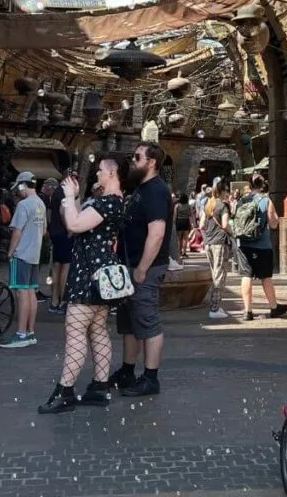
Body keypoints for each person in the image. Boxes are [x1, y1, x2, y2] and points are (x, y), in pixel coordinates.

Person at [39, 157, 127, 413]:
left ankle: (65, 391)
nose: (97, 174)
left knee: (76, 329)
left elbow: (75, 225)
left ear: (112, 173)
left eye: (100, 170)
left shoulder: (108, 201)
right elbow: (77, 221)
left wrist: (67, 197)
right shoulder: (115, 201)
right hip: (100, 273)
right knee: (98, 329)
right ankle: (99, 387)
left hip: (89, 273)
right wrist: (74, 197)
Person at [111, 142, 172, 397]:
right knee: (129, 322)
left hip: (144, 267)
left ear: (152, 162)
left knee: (147, 322)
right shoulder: (141, 189)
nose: (133, 161)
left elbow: (156, 234)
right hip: (131, 265)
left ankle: (150, 377)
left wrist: (142, 268)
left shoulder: (156, 191)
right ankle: (127, 371)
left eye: (137, 157)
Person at [0, 172, 47, 349]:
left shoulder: (23, 205)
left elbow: (17, 232)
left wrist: (11, 252)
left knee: (21, 293)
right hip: (35, 255)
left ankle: (20, 334)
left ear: (22, 185)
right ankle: (30, 332)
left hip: (22, 255)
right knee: (31, 292)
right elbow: (43, 231)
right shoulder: (41, 204)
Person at [234, 173, 287, 322]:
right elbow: (273, 223)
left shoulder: (242, 200)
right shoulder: (266, 200)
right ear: (262, 185)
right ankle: (273, 306)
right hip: (263, 245)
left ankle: (247, 311)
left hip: (244, 244)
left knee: (246, 276)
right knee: (265, 277)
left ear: (249, 185)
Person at [202, 181, 232, 320]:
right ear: (222, 192)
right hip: (219, 242)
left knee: (214, 273)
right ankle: (214, 307)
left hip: (208, 242)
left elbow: (201, 224)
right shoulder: (223, 205)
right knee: (219, 274)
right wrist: (233, 232)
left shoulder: (208, 204)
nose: (228, 193)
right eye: (226, 190)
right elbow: (225, 225)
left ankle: (215, 305)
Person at [47, 172, 73, 315]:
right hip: (64, 234)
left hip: (55, 233)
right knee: (66, 268)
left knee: (56, 267)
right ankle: (63, 300)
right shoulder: (64, 192)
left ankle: (54, 301)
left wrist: (51, 229)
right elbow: (63, 212)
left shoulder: (56, 191)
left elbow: (49, 214)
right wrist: (69, 228)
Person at [174, 193, 192, 260]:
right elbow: (191, 215)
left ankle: (179, 252)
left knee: (179, 238)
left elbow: (175, 216)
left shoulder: (177, 205)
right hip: (186, 221)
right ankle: (184, 252)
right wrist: (193, 224)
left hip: (179, 221)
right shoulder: (189, 206)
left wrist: (174, 223)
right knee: (185, 238)